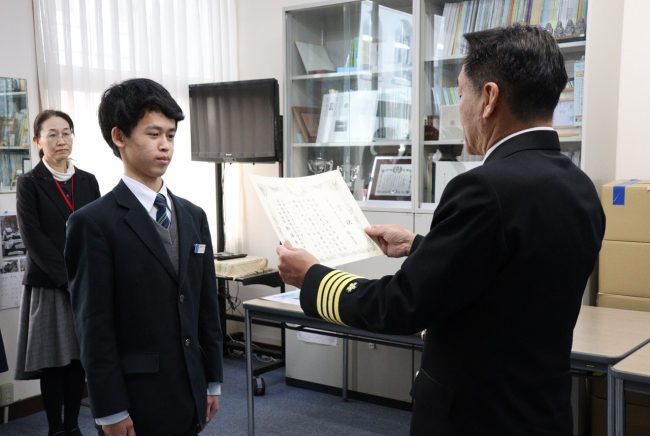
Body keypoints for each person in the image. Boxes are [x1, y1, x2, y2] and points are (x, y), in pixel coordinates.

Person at [277, 25, 605, 435]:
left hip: (474, 419)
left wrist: (312, 277)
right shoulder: (581, 188)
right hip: (542, 413)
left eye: (461, 94)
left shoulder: (483, 189)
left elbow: (400, 306)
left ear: (489, 98)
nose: (459, 108)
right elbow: (511, 271)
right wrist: (420, 245)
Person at [64, 78, 223, 436]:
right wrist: (109, 410)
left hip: (190, 388)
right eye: (153, 134)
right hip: (135, 397)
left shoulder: (193, 215)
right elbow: (93, 326)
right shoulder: (93, 223)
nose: (165, 145)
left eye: (171, 135)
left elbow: (205, 306)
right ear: (119, 136)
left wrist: (213, 379)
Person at [15, 110, 101, 436]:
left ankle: (73, 426)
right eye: (52, 134)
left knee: (78, 360)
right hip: (50, 285)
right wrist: (68, 279)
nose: (61, 140)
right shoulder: (29, 183)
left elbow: (97, 231)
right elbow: (33, 237)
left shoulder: (88, 181)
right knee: (54, 362)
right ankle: (55, 429)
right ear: (38, 140)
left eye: (66, 132)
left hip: (85, 283)